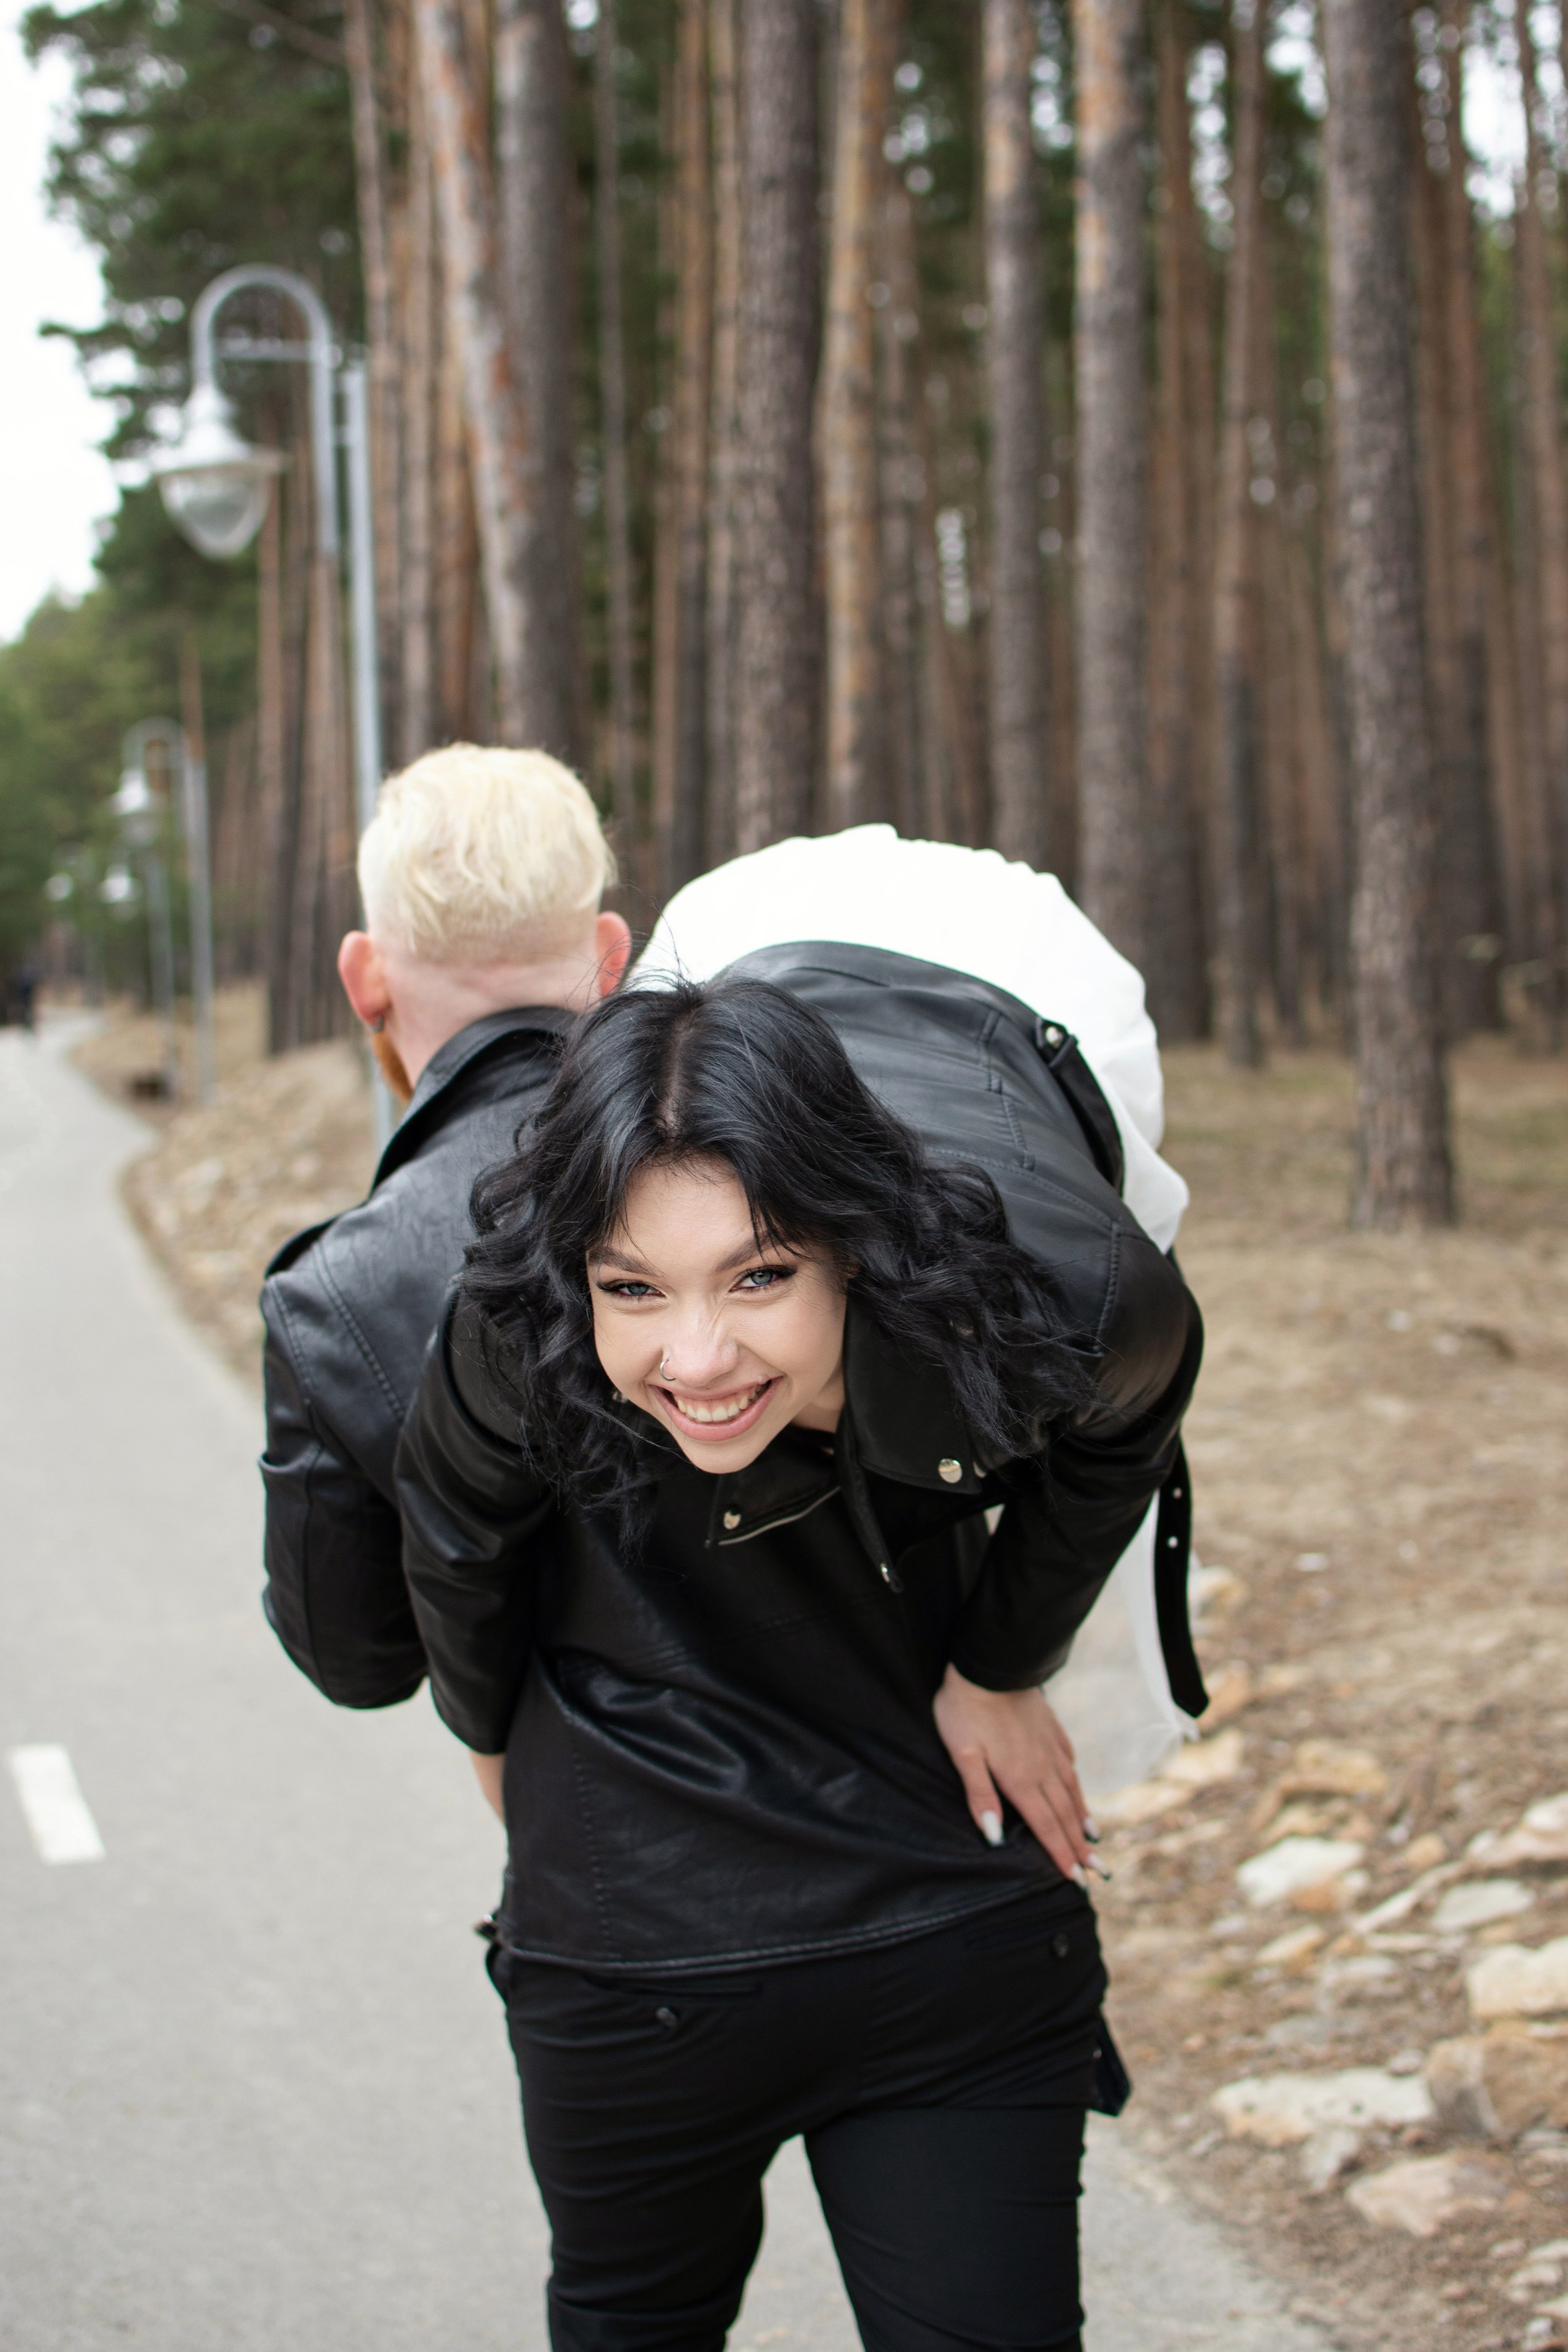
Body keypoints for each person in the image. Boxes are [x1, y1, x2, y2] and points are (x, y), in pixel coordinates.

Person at [394, 963, 1203, 2352]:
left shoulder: (1056, 1292)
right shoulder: (514, 1321)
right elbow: (452, 1528)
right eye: (633, 1287)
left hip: (957, 1985)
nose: (696, 1357)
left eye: (757, 1274)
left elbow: (1131, 1413)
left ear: (851, 1242)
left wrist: (1003, 1661)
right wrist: (488, 1737)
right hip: (629, 1993)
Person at [259, 743, 629, 1712]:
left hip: (597, 1830)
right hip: (940, 1793)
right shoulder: (786, 1158)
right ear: (611, 953)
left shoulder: (333, 1295)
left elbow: (358, 1661)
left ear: (363, 977)